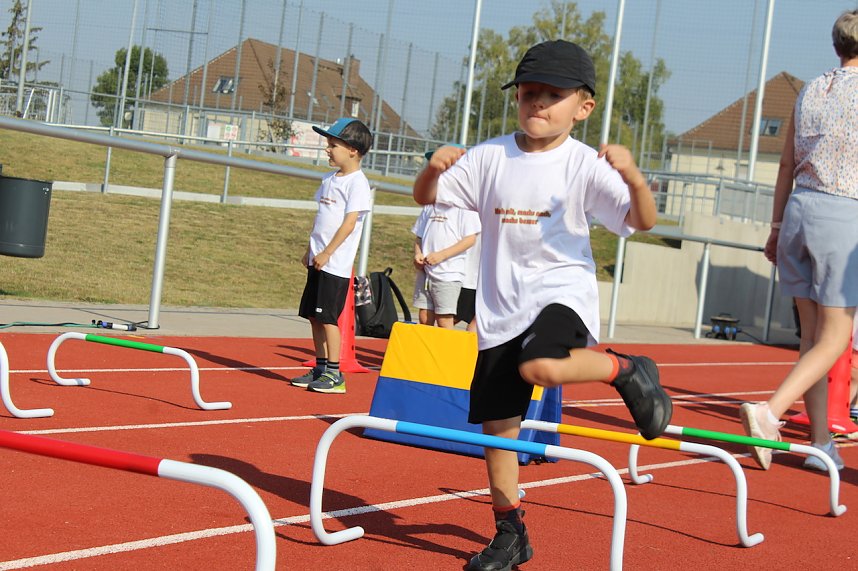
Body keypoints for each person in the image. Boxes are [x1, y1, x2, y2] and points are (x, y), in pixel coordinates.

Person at [413, 39, 673, 571]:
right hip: (500, 310)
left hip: (560, 297)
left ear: (583, 107)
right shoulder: (488, 157)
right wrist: (433, 170)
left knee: (541, 365)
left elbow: (643, 222)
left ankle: (625, 368)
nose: (536, 103)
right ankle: (510, 533)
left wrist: (636, 178)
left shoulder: (583, 165)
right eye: (528, 93)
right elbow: (426, 198)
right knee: (498, 431)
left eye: (551, 95)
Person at [740, 9, 858, 471]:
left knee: (812, 338)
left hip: (799, 211)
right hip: (843, 212)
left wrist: (774, 228)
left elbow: (785, 165)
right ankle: (768, 412)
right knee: (837, 336)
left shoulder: (812, 89)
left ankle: (820, 442)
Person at [290, 118, 373, 394]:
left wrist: (327, 252)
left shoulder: (357, 184)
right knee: (314, 317)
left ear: (352, 149)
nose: (327, 149)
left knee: (328, 318)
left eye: (333, 145)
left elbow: (349, 224)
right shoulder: (328, 179)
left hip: (334, 265)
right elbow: (321, 218)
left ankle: (335, 374)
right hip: (318, 260)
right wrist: (310, 250)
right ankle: (321, 366)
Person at [411, 201, 480, 329]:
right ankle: (427, 347)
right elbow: (419, 237)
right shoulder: (430, 206)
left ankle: (447, 348)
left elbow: (470, 240)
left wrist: (442, 255)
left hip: (448, 274)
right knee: (425, 315)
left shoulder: (465, 208)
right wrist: (418, 254)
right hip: (426, 273)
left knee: (444, 318)